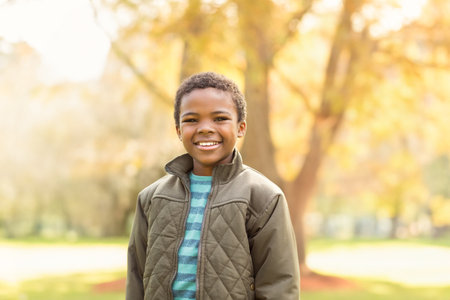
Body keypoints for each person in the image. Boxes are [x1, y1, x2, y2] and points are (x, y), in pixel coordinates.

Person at [126, 72, 300, 300]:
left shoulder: (264, 197)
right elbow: (137, 278)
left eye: (219, 118)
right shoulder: (152, 198)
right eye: (191, 120)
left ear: (241, 128)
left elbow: (279, 286)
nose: (205, 128)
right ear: (179, 130)